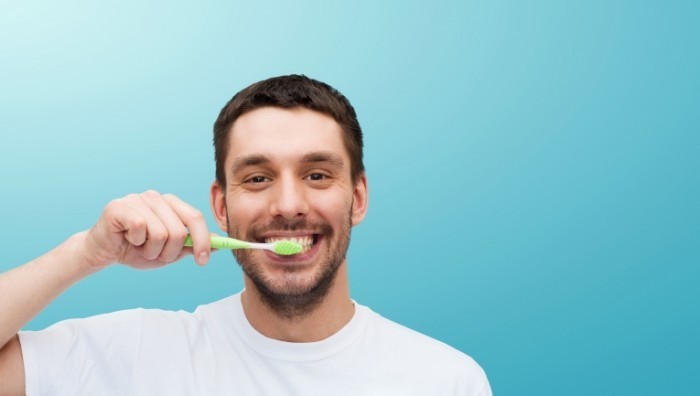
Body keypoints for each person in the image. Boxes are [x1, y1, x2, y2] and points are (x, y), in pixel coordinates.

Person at [0, 75, 492, 395]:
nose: (288, 204)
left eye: (317, 174)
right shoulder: (135, 353)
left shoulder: (445, 380)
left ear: (358, 198)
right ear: (221, 207)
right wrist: (85, 253)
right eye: (257, 178)